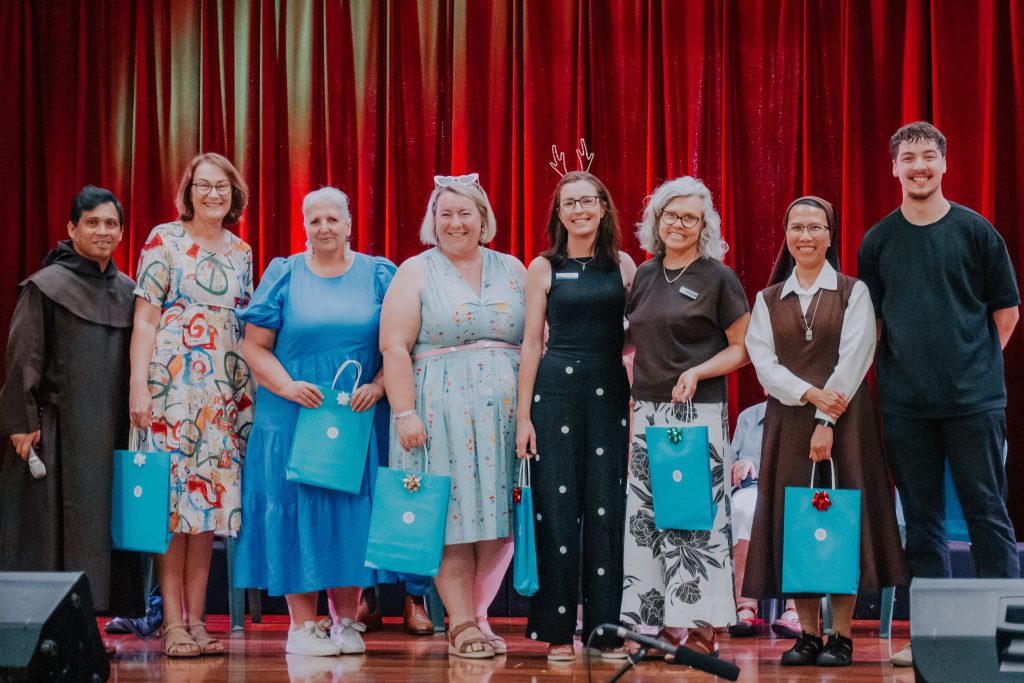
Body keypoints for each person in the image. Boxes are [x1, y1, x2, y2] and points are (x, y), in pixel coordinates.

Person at [858, 122, 1020, 667]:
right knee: (922, 524)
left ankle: (1009, 641)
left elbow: (1006, 313)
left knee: (988, 518)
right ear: (895, 168)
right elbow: (873, 325)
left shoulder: (977, 232)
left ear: (945, 164)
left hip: (975, 404)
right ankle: (932, 638)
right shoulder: (878, 241)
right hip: (905, 407)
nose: (919, 166)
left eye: (928, 156)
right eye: (908, 158)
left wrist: (974, 366)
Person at [233, 187, 403, 655]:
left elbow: (401, 344)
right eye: (315, 220)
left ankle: (346, 622)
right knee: (295, 510)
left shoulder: (380, 274)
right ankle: (302, 627)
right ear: (305, 227)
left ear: (349, 224)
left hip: (355, 416)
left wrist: (381, 385)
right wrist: (288, 387)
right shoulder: (284, 274)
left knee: (349, 514)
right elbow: (254, 346)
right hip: (292, 412)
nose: (324, 227)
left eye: (333, 219)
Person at [744, 195, 907, 666]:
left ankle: (841, 636)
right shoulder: (768, 299)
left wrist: (826, 418)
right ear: (786, 236)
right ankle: (808, 635)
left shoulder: (854, 292)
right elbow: (764, 364)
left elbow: (857, 356)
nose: (806, 236)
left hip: (846, 419)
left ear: (830, 235)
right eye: (797, 227)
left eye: (815, 227)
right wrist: (811, 396)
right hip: (789, 421)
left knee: (842, 521)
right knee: (798, 521)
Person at [380, 173, 526, 659]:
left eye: (466, 213)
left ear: (484, 219)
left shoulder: (514, 268)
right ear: (433, 221)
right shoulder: (415, 271)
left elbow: (537, 340)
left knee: (504, 519)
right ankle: (460, 622)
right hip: (438, 414)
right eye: (445, 214)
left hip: (508, 417)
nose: (455, 222)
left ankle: (479, 615)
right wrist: (404, 412)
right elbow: (394, 347)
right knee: (452, 519)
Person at [0, 185, 145, 650]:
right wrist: (21, 420)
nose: (103, 231)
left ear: (121, 232)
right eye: (92, 222)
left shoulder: (130, 292)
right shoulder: (46, 286)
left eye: (111, 224)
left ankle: (91, 635)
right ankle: (49, 638)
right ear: (72, 228)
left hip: (113, 433)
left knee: (106, 534)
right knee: (51, 536)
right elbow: (23, 356)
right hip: (58, 431)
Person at [129, 153, 255, 658]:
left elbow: (242, 324)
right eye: (203, 185)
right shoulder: (163, 239)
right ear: (188, 192)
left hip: (221, 394)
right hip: (171, 388)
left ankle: (199, 621)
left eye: (221, 186)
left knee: (207, 512)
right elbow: (144, 319)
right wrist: (139, 386)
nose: (212, 194)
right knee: (171, 510)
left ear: (234, 193)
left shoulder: (242, 251)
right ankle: (172, 625)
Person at [619, 176, 748, 659]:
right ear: (656, 220)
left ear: (704, 225)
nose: (679, 224)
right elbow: (633, 341)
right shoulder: (645, 275)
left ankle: (701, 628)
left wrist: (697, 371)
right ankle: (655, 627)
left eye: (690, 217)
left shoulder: (718, 277)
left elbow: (743, 348)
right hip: (647, 411)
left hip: (697, 414)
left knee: (695, 523)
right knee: (648, 523)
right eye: (671, 215)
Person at [515, 171, 636, 661]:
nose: (579, 210)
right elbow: (530, 343)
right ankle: (558, 633)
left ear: (603, 208)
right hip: (555, 393)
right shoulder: (543, 266)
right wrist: (523, 417)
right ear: (559, 213)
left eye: (588, 201)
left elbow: (635, 333)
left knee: (607, 511)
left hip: (610, 392)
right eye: (570, 203)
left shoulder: (623, 264)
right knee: (556, 512)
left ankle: (606, 631)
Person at [726, 399, 800, 638]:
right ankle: (744, 605)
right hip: (754, 488)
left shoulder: (807, 413)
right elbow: (727, 468)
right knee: (742, 507)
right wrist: (740, 466)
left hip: (795, 489)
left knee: (799, 512)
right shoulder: (748, 417)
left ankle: (796, 609)